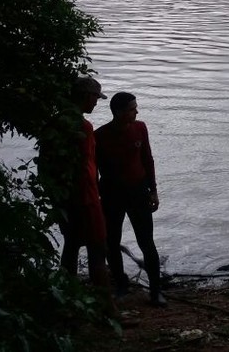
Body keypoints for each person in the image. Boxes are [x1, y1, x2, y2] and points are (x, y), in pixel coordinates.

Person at [95, 91, 166, 306]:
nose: (137, 112)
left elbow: (147, 160)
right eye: (132, 109)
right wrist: (96, 195)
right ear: (118, 112)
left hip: (138, 192)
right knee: (111, 241)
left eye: (135, 108)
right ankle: (121, 285)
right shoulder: (100, 136)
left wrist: (153, 190)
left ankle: (155, 291)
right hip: (111, 194)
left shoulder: (140, 128)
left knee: (146, 242)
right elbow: (94, 169)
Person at [58, 76, 113, 305]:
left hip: (64, 198)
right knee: (98, 249)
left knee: (70, 246)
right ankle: (106, 308)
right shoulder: (83, 127)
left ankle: (68, 301)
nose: (96, 103)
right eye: (95, 98)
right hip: (86, 198)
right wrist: (92, 195)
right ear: (87, 96)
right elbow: (85, 167)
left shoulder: (56, 123)